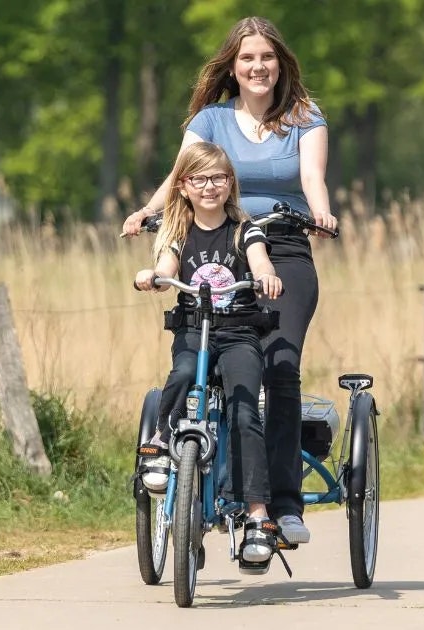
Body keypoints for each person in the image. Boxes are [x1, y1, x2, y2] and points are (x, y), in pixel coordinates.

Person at [124, 17, 338, 545]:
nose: (258, 67)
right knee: (216, 362)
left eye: (267, 57)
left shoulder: (304, 117)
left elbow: (312, 179)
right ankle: (213, 482)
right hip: (216, 242)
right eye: (248, 58)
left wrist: (323, 215)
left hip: (283, 246)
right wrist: (147, 212)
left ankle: (283, 506)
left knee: (280, 367)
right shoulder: (211, 119)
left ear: (280, 63)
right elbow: (181, 175)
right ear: (234, 66)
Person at [134, 141, 283, 570]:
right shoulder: (177, 231)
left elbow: (259, 261)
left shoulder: (244, 228)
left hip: (238, 333)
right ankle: (163, 441)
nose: (210, 186)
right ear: (183, 186)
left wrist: (266, 277)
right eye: (199, 179)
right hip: (193, 331)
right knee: (181, 373)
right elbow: (166, 265)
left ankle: (257, 514)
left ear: (230, 183)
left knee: (243, 410)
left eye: (218, 178)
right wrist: (156, 278)